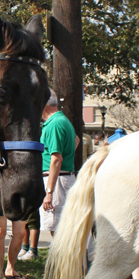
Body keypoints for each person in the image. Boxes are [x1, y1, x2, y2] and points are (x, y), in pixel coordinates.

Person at [39, 90, 79, 236]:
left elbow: (56, 159)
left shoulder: (54, 124)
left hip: (57, 181)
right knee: (62, 229)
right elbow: (76, 140)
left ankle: (65, 259)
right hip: (63, 178)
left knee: (58, 231)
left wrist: (49, 192)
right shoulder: (62, 120)